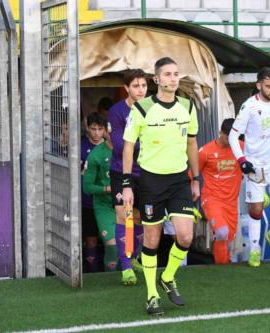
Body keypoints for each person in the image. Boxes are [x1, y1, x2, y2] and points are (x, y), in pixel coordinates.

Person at [122, 57, 199, 316]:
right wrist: (127, 184)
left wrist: (196, 177)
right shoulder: (141, 109)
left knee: (186, 236)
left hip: (179, 179)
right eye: (167, 74)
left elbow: (191, 143)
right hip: (151, 180)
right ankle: (152, 295)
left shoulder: (188, 107)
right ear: (157, 79)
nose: (173, 78)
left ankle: (167, 277)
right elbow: (129, 146)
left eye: (176, 74)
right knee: (152, 240)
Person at [228, 67, 270, 268]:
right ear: (258, 86)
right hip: (255, 164)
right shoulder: (248, 107)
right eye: (268, 86)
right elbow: (233, 135)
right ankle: (255, 249)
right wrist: (241, 160)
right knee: (256, 210)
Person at [108, 69, 148, 285]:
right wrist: (147, 144)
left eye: (143, 85)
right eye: (135, 86)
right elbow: (119, 146)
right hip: (122, 172)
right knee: (124, 215)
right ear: (126, 88)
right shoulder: (116, 112)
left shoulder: (154, 109)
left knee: (142, 218)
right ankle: (125, 268)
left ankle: (133, 257)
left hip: (148, 172)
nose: (140, 90)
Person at [199, 118, 243, 264]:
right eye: (227, 137)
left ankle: (223, 266)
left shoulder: (241, 147)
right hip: (212, 199)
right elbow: (191, 173)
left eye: (233, 138)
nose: (230, 141)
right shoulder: (206, 151)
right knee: (222, 232)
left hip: (231, 202)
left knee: (228, 240)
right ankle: (221, 268)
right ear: (220, 133)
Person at [83, 116, 118, 272]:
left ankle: (129, 273)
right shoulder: (96, 155)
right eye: (93, 129)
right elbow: (87, 187)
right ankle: (105, 278)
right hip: (102, 204)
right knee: (111, 245)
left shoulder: (129, 150)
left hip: (126, 203)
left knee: (129, 245)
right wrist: (107, 189)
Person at [80, 113, 106, 272]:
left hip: (108, 203)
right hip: (87, 201)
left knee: (113, 239)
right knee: (91, 241)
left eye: (100, 129)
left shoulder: (111, 146)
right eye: (93, 129)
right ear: (87, 128)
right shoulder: (80, 147)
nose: (96, 133)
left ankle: (114, 272)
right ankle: (93, 274)